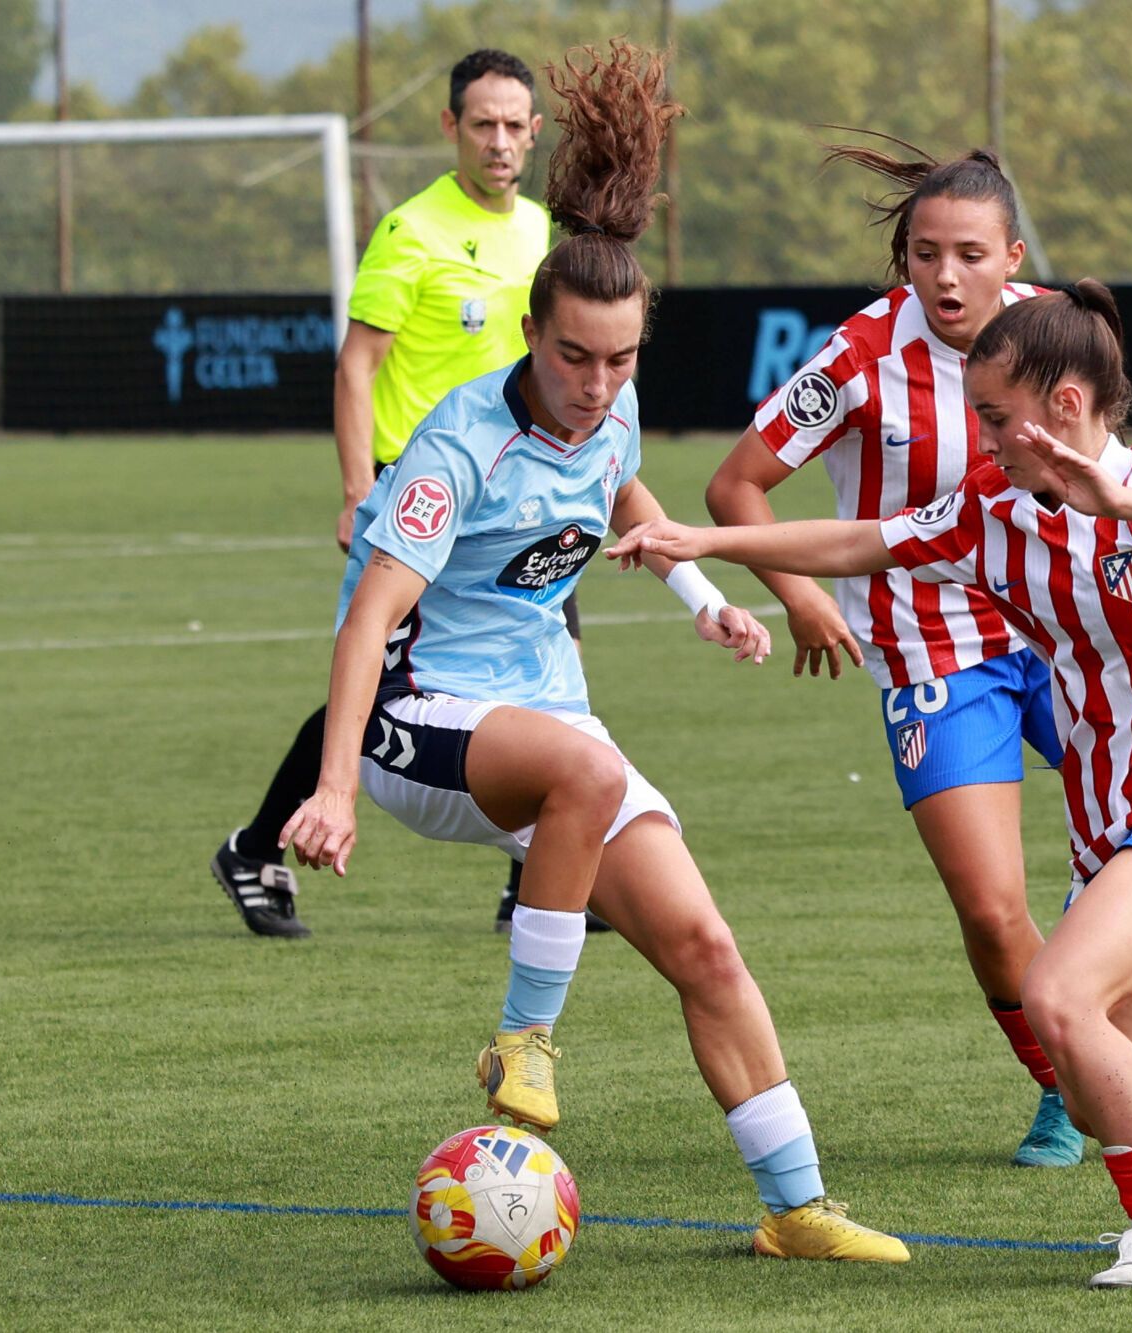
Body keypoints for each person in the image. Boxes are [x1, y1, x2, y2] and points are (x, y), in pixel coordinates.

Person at [610, 281, 1132, 1290]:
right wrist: (706, 543)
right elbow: (865, 542)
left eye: (995, 417)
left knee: (1056, 994)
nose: (981, 436)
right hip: (1112, 837)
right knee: (1104, 1086)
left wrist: (1116, 501)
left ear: (1066, 406)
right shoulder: (992, 512)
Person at [278, 41, 908, 1265]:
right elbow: (365, 619)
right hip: (423, 720)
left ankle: (794, 1208)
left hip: (547, 726)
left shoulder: (612, 410)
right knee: (589, 771)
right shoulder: (458, 445)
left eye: (620, 361)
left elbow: (622, 494)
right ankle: (523, 1040)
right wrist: (337, 785)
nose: (596, 383)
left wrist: (698, 593)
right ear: (530, 332)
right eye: (573, 357)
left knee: (705, 948)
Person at [704, 136, 1132, 1169]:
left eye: (968, 255)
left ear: (1012, 257)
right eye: (924, 255)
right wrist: (803, 600)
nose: (945, 277)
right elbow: (735, 484)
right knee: (993, 910)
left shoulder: (1048, 336)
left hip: (1065, 634)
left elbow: (1129, 463)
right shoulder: (857, 356)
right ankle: (1069, 1083)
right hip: (932, 650)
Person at [210, 49, 591, 938]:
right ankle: (256, 847)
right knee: (381, 692)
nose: (499, 141)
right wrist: (357, 487)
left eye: (515, 125)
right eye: (482, 124)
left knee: (548, 667)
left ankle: (536, 868)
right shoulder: (411, 230)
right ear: (451, 127)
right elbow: (358, 364)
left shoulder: (543, 230)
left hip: (519, 501)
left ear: (535, 132)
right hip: (424, 503)